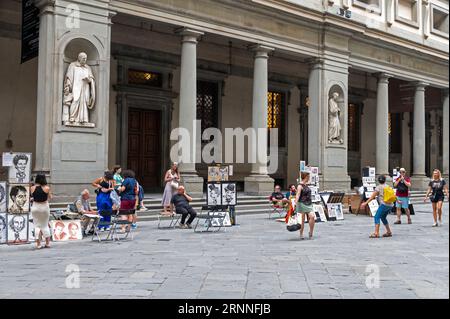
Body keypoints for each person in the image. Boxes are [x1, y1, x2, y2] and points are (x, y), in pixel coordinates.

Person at [30, 174, 52, 249]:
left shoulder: (32, 188)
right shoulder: (47, 188)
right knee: (45, 225)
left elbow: (33, 196)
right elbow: (50, 197)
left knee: (37, 225)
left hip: (35, 207)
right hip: (44, 207)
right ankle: (47, 243)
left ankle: (38, 244)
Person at [294, 172, 315, 240]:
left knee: (312, 217)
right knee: (302, 220)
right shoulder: (300, 186)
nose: (309, 178)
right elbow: (297, 195)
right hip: (302, 203)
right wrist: (295, 203)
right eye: (308, 176)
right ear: (305, 177)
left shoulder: (306, 184)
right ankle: (301, 234)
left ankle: (310, 232)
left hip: (309, 203)